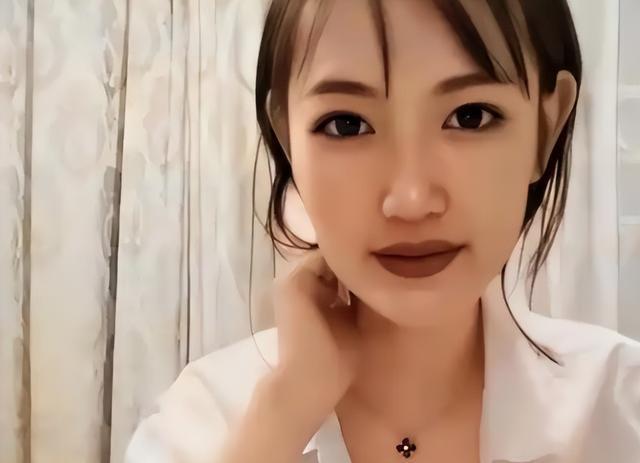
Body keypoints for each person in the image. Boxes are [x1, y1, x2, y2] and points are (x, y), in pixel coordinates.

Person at [125, 0, 640, 462]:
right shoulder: (204, 422)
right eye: (346, 124)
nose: (410, 200)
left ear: (546, 128)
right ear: (287, 141)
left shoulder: (620, 402)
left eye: (470, 116)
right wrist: (285, 412)